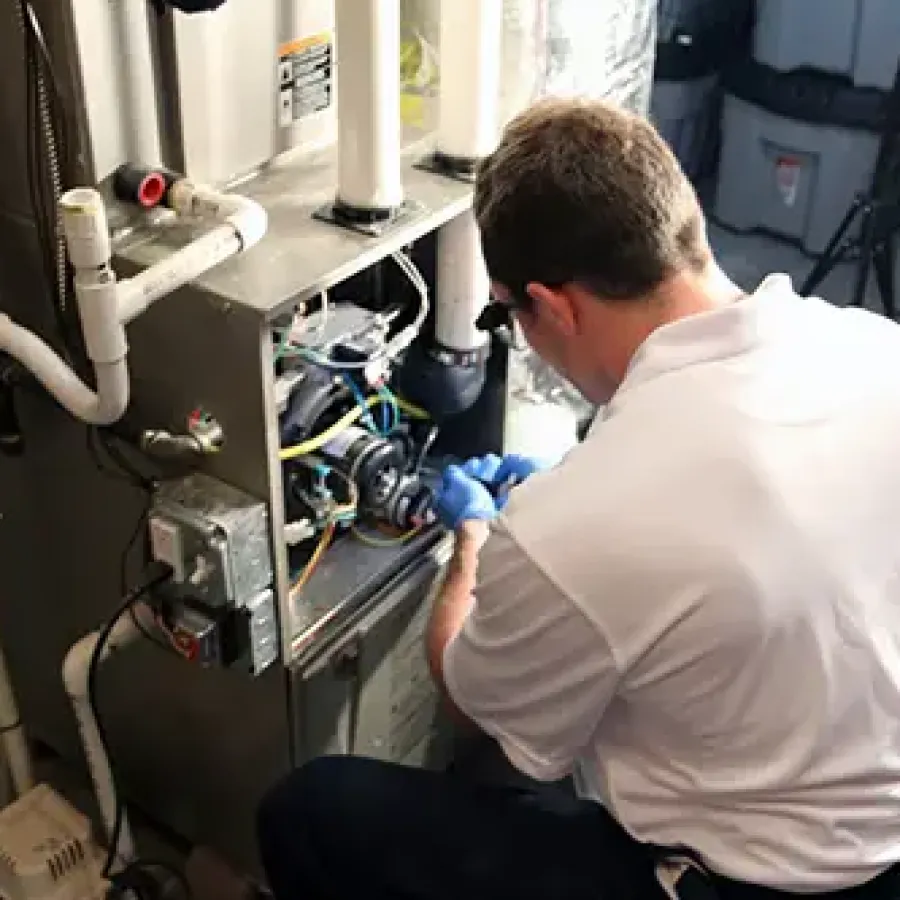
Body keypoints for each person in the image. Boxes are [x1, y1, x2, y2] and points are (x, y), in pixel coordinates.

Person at [256, 98, 900, 900]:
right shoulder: (876, 350)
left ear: (552, 306)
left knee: (313, 809)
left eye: (506, 314)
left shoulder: (577, 527)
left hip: (753, 887)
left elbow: (471, 700)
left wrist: (477, 541)